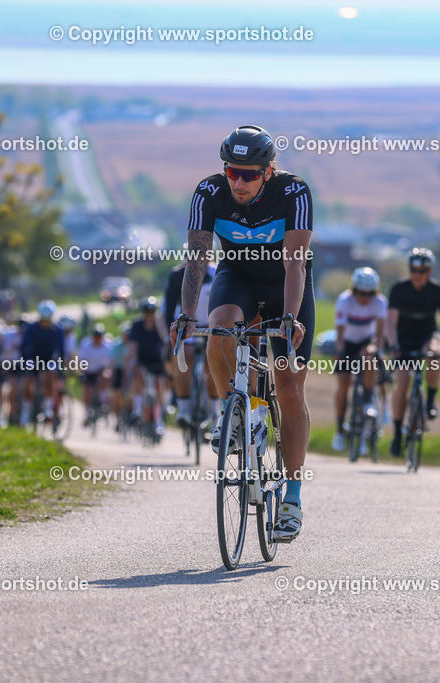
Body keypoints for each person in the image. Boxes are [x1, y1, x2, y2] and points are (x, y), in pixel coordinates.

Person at [171, 124, 314, 543]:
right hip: (238, 279)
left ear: (268, 171)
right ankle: (235, 412)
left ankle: (292, 496)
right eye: (232, 172)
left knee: (289, 388)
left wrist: (290, 318)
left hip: (287, 285)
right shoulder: (208, 192)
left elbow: (296, 264)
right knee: (220, 328)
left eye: (250, 173)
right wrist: (185, 313)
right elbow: (197, 257)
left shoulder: (294, 192)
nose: (239, 181)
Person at [386, 248, 440, 457]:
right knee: (402, 383)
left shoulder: (439, 291)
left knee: (435, 355)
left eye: (423, 270)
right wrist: (393, 345)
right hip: (403, 338)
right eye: (414, 269)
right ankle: (398, 434)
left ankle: (430, 401)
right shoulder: (399, 289)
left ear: (429, 271)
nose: (418, 274)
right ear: (410, 270)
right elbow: (391, 321)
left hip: (427, 335)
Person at [331, 267, 387, 456]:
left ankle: (368, 400)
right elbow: (339, 331)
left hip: (366, 341)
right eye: (361, 293)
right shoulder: (345, 300)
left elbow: (379, 333)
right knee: (343, 383)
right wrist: (339, 350)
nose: (364, 297)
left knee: (370, 358)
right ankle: (339, 430)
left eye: (369, 294)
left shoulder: (379, 302)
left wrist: (376, 349)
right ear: (354, 290)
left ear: (375, 292)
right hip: (347, 342)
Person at [165, 259, 219, 428]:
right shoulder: (177, 274)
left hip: (211, 325)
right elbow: (169, 307)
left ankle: (214, 411)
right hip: (188, 326)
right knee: (184, 360)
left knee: (213, 364)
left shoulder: (217, 271)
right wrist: (171, 336)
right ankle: (184, 410)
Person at [21, 299, 65, 426]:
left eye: (48, 319)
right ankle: (26, 409)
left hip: (49, 359)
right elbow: (25, 346)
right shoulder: (32, 328)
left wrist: (60, 364)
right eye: (43, 320)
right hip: (33, 358)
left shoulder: (57, 330)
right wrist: (26, 360)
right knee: (29, 380)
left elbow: (60, 349)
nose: (45, 323)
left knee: (51, 375)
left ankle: (47, 406)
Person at [128, 297, 167, 436]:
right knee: (138, 375)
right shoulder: (137, 325)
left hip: (157, 360)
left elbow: (165, 340)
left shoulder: (159, 323)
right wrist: (134, 360)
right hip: (142, 359)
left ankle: (159, 420)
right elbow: (133, 345)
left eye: (151, 312)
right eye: (146, 312)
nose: (149, 315)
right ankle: (137, 409)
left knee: (159, 386)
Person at [78, 323, 113, 425]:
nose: (97, 338)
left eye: (99, 336)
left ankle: (103, 400)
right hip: (89, 371)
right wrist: (82, 371)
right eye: (96, 336)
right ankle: (87, 411)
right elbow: (81, 361)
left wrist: (109, 371)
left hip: (101, 370)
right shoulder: (86, 345)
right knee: (87, 389)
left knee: (105, 377)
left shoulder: (107, 346)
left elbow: (111, 362)